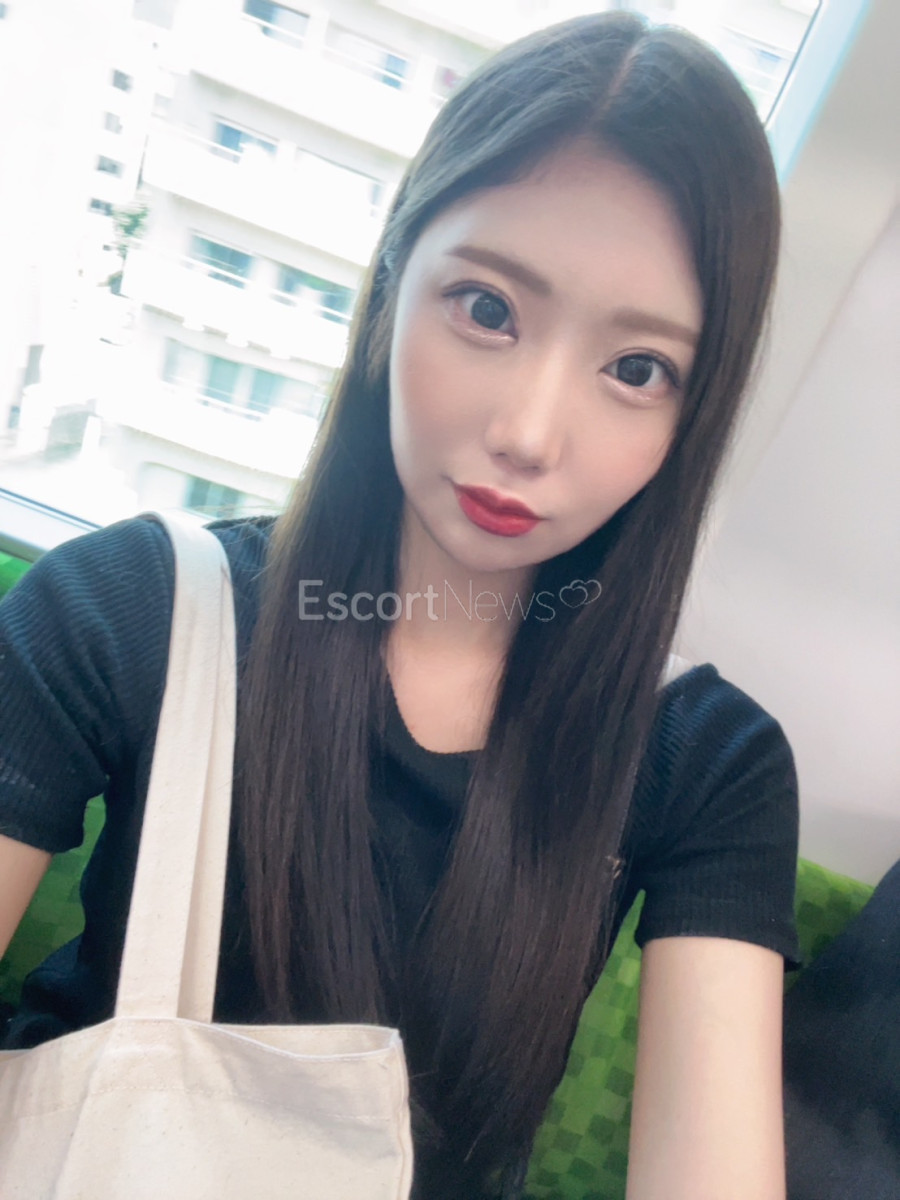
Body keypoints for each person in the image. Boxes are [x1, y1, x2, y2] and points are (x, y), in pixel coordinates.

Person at [0, 11, 800, 1198]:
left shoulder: (706, 762)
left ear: (694, 414)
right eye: (487, 308)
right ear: (386, 296)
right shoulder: (133, 610)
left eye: (636, 370)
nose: (528, 432)